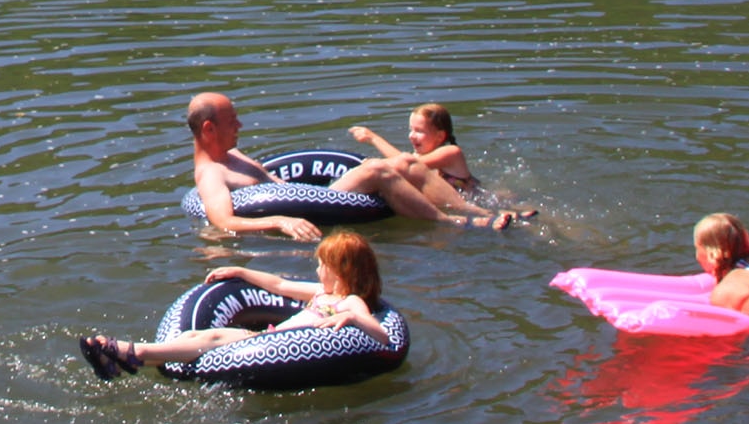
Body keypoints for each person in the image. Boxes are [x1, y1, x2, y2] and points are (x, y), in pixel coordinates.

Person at [183, 92, 516, 240]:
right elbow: (224, 222)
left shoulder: (234, 155)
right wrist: (281, 221)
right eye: (232, 120)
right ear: (209, 130)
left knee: (406, 161)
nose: (240, 125)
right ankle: (452, 222)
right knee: (376, 169)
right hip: (308, 207)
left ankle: (479, 212)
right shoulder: (211, 173)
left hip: (313, 195)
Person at [80, 231, 397, 377]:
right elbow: (281, 285)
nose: (316, 271)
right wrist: (241, 270)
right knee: (193, 337)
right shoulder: (320, 292)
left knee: (211, 338)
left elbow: (381, 335)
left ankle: (131, 352)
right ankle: (124, 361)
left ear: (340, 270)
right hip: (268, 337)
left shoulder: (349, 301)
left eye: (321, 265)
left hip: (272, 345)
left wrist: (353, 320)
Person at [349, 103, 533, 217]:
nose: (412, 136)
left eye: (419, 131)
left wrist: (374, 139)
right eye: (411, 130)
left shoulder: (451, 152)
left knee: (523, 216)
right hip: (459, 206)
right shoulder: (418, 157)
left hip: (479, 202)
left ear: (439, 136)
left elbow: (405, 164)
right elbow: (405, 163)